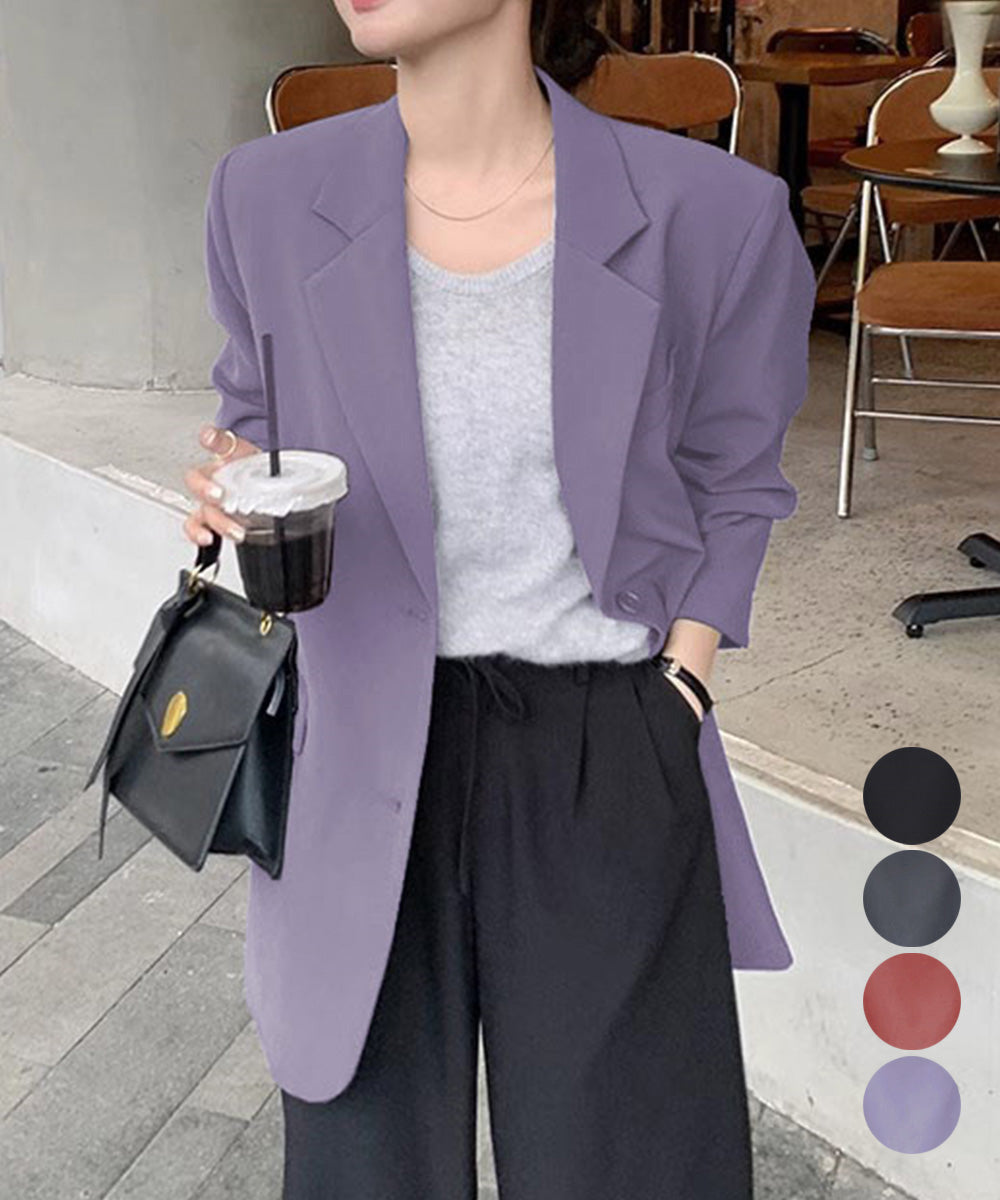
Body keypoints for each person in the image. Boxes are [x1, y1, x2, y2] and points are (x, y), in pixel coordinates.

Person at [182, 1, 816, 1196]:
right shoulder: (263, 197)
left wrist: (681, 680)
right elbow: (253, 410)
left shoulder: (709, 213)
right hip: (354, 736)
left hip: (599, 745)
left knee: (625, 1165)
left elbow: (736, 476)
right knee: (364, 1167)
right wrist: (234, 482)